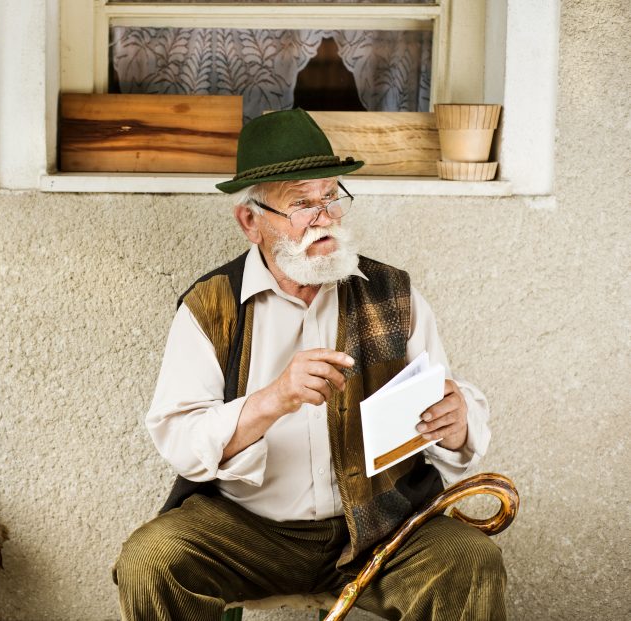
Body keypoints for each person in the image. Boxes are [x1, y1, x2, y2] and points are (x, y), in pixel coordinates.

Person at [113, 109, 506, 621]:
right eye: (302, 203)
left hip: (383, 530)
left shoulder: (393, 294)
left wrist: (456, 425)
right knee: (152, 560)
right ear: (250, 221)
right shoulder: (210, 306)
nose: (324, 217)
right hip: (248, 531)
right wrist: (273, 400)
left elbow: (443, 404)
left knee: (470, 559)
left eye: (331, 197)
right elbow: (181, 438)